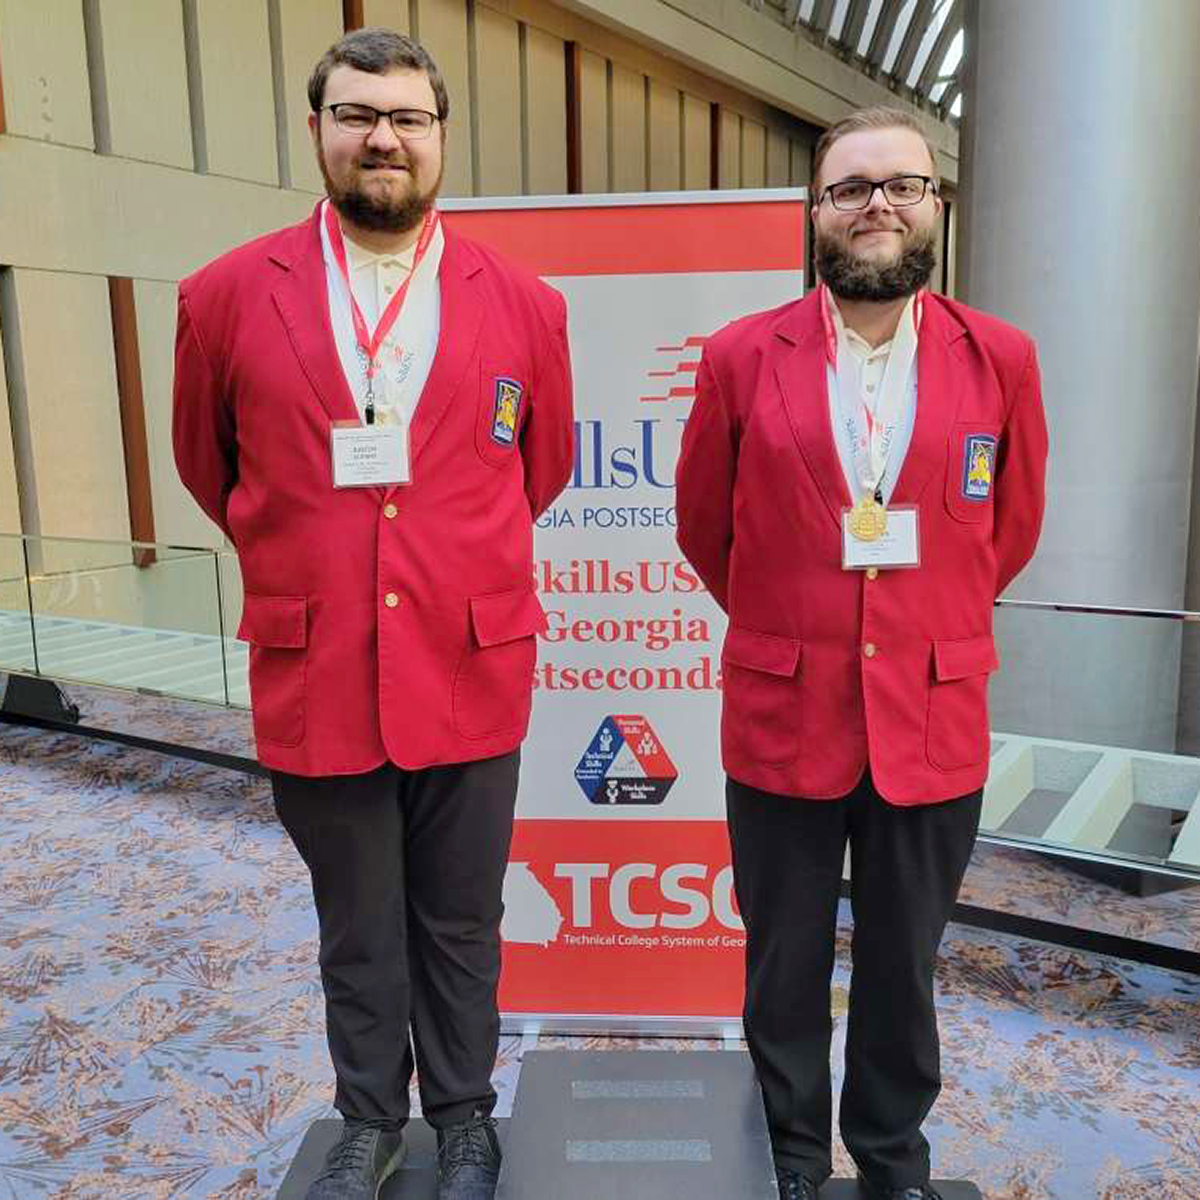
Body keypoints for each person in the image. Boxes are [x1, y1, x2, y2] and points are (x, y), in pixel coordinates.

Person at [173, 28, 573, 1200]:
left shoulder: (528, 305)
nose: (382, 137)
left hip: (469, 659)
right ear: (318, 132)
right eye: (357, 115)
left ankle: (462, 1117)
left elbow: (532, 473)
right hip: (320, 660)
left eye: (406, 117)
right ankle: (366, 1115)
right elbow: (217, 471)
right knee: (355, 921)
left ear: (442, 137)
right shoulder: (227, 295)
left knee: (461, 918)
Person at [675, 106, 1047, 1200]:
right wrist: (795, 626)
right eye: (850, 188)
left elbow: (1007, 531)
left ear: (936, 205)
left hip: (932, 716)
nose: (876, 204)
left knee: (903, 967)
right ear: (816, 211)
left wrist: (921, 628)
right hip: (784, 713)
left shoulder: (1004, 359)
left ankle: (893, 1161)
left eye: (901, 185)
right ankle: (790, 1157)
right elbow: (705, 526)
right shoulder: (743, 355)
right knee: (781, 962)